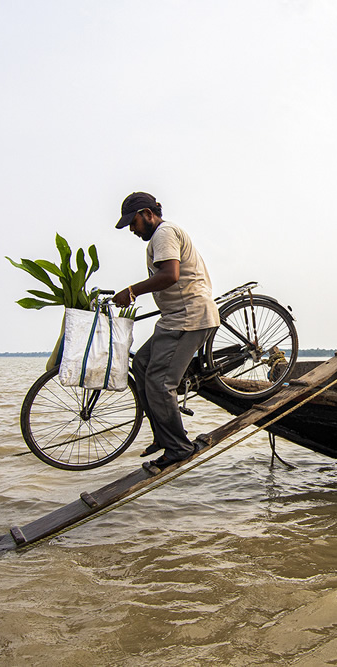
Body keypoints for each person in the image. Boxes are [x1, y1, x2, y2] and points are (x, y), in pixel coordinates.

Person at [111, 192, 220, 470]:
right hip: (175, 318)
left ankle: (178, 447)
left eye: (133, 223)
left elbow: (169, 275)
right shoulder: (160, 236)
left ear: (147, 213)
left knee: (161, 384)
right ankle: (163, 435)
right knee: (142, 363)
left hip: (190, 317)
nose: (132, 230)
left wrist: (132, 291)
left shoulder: (164, 233)